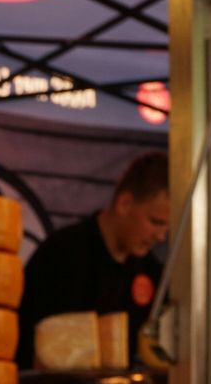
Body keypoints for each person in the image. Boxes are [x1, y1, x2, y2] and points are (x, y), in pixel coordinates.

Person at [17, 153, 171, 369]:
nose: (161, 236)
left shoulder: (151, 272)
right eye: (156, 222)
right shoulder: (63, 254)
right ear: (125, 203)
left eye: (167, 227)